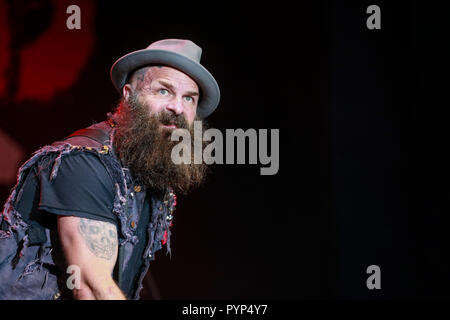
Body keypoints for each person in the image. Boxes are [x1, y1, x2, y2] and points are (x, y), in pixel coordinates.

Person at [0, 39, 220, 300]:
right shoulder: (84, 162)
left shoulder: (150, 176)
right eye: (164, 91)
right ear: (129, 95)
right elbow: (93, 289)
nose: (177, 107)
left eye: (189, 98)